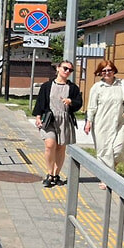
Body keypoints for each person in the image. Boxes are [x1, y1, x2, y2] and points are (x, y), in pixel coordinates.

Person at [84, 59, 124, 190]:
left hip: (120, 122)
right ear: (100, 73)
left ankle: (110, 172)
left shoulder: (123, 84)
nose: (107, 73)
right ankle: (107, 178)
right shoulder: (97, 87)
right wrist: (89, 122)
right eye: (104, 71)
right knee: (103, 152)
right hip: (101, 123)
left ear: (114, 70)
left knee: (118, 151)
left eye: (109, 70)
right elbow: (91, 107)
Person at [32, 60, 83, 188]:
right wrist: (38, 117)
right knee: (50, 145)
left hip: (65, 120)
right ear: (58, 69)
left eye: (70, 70)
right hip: (49, 119)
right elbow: (40, 103)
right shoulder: (47, 86)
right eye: (65, 68)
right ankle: (49, 174)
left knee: (61, 148)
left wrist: (71, 101)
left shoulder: (73, 88)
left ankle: (56, 174)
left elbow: (79, 103)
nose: (67, 72)